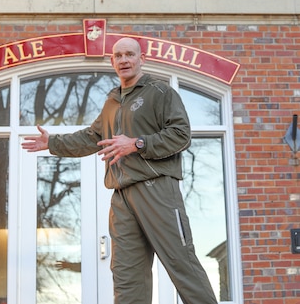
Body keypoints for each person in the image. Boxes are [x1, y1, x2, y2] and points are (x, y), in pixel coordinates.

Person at [22, 37, 217, 304]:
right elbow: (92, 137)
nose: (124, 60)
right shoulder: (112, 101)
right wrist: (53, 143)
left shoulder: (159, 92)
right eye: (118, 55)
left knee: (181, 263)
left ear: (141, 59)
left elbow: (181, 134)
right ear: (112, 61)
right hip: (121, 196)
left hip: (156, 188)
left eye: (129, 54)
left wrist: (137, 144)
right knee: (126, 276)